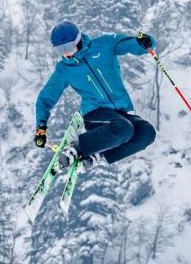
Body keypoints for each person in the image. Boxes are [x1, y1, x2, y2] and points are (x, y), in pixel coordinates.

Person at [33, 21, 157, 172]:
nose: (65, 52)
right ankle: (76, 148)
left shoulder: (104, 45)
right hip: (95, 113)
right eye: (60, 49)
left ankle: (98, 155)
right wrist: (41, 127)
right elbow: (45, 98)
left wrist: (144, 42)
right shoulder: (64, 70)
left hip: (122, 112)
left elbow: (131, 44)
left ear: (78, 39)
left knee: (147, 133)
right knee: (124, 128)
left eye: (67, 46)